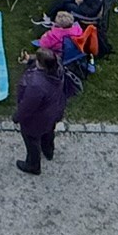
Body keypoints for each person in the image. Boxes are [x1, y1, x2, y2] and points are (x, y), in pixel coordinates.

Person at [13, 47, 69, 175]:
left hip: (37, 119)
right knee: (48, 132)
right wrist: (30, 60)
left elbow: (27, 106)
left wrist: (17, 117)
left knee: (31, 139)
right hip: (54, 111)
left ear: (40, 64)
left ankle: (33, 165)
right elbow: (46, 62)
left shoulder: (36, 85)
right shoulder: (58, 68)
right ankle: (48, 151)